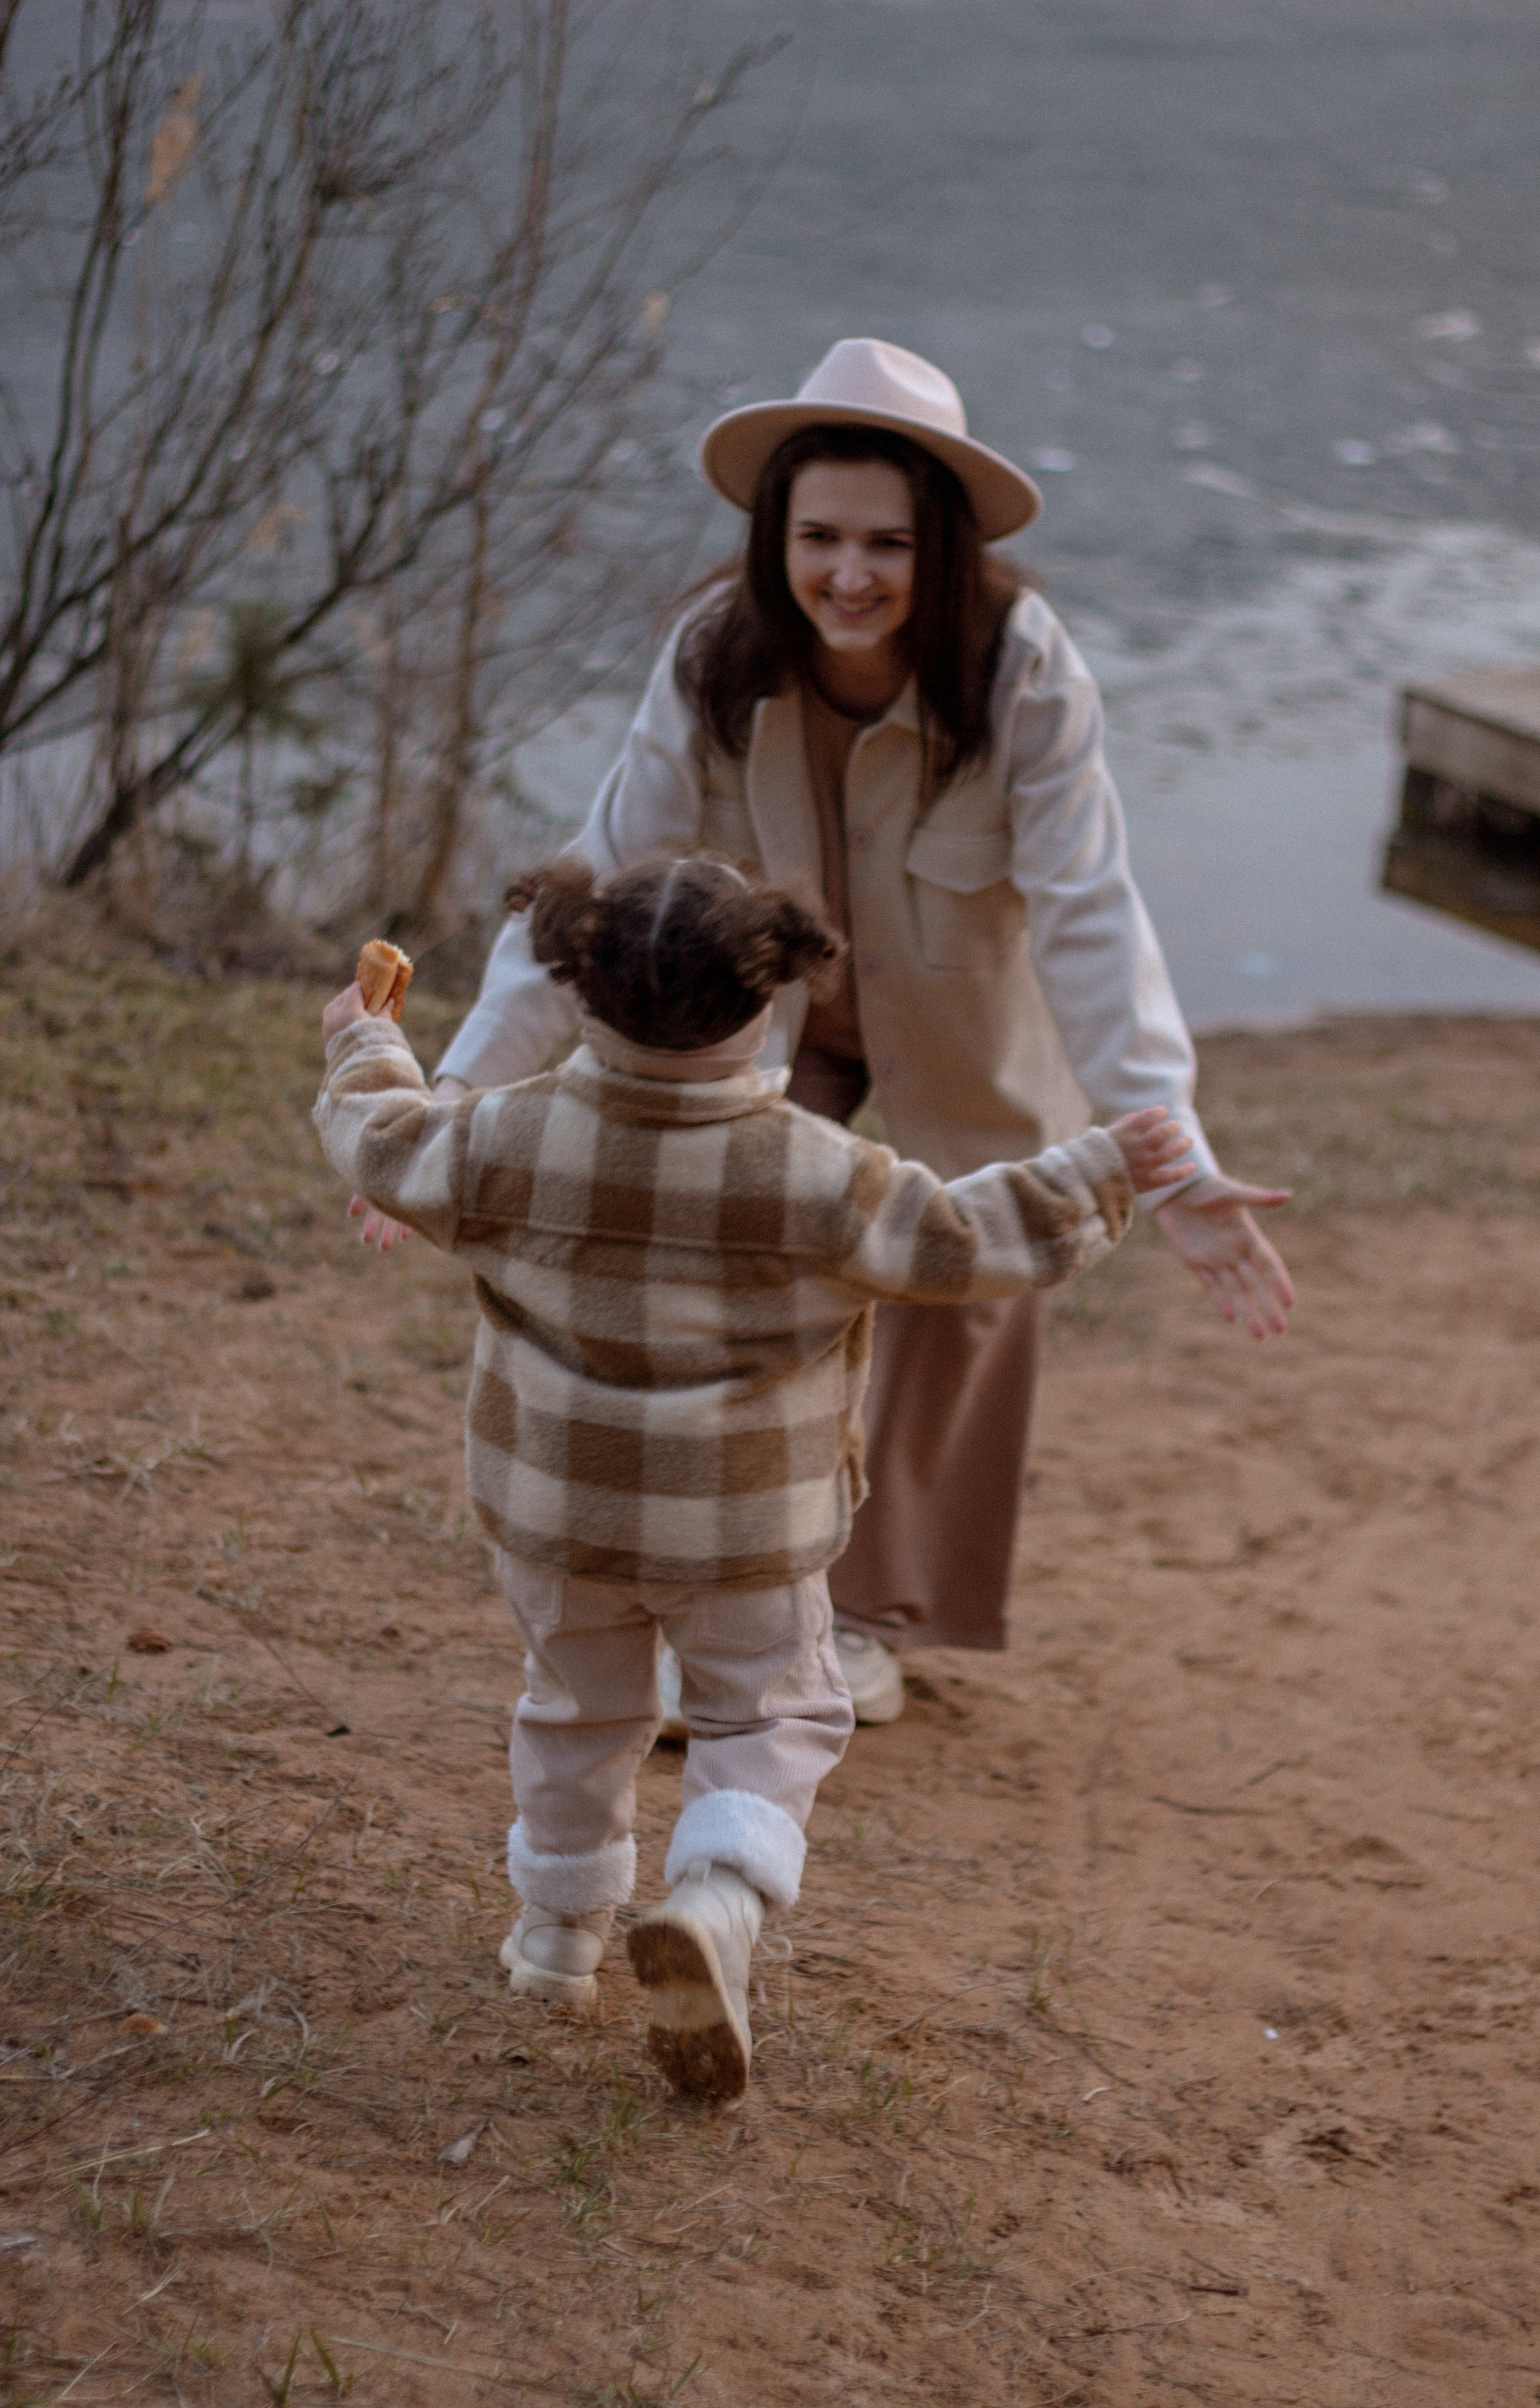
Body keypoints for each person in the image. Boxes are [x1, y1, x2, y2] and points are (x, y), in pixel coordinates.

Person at [351, 336, 1294, 1724]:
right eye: (819, 538)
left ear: (944, 546)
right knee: (728, 1248)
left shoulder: (1021, 669)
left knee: (966, 1280)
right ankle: (713, 1581)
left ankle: (860, 1620)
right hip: (763, 1017)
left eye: (887, 543)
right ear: (772, 539)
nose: (849, 574)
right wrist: (450, 1089)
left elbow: (1090, 909)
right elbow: (599, 882)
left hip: (965, 1028)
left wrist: (1172, 1153)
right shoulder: (710, 661)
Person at [316, 853, 1194, 2099]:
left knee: (575, 1713)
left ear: (578, 993)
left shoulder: (509, 1140)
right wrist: (1105, 1167)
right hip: (744, 1531)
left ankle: (555, 1942)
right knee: (771, 1716)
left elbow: (385, 1141)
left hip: (555, 1518)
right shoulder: (817, 1172)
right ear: (768, 1001)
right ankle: (715, 1907)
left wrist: (364, 1042)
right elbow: (965, 1237)